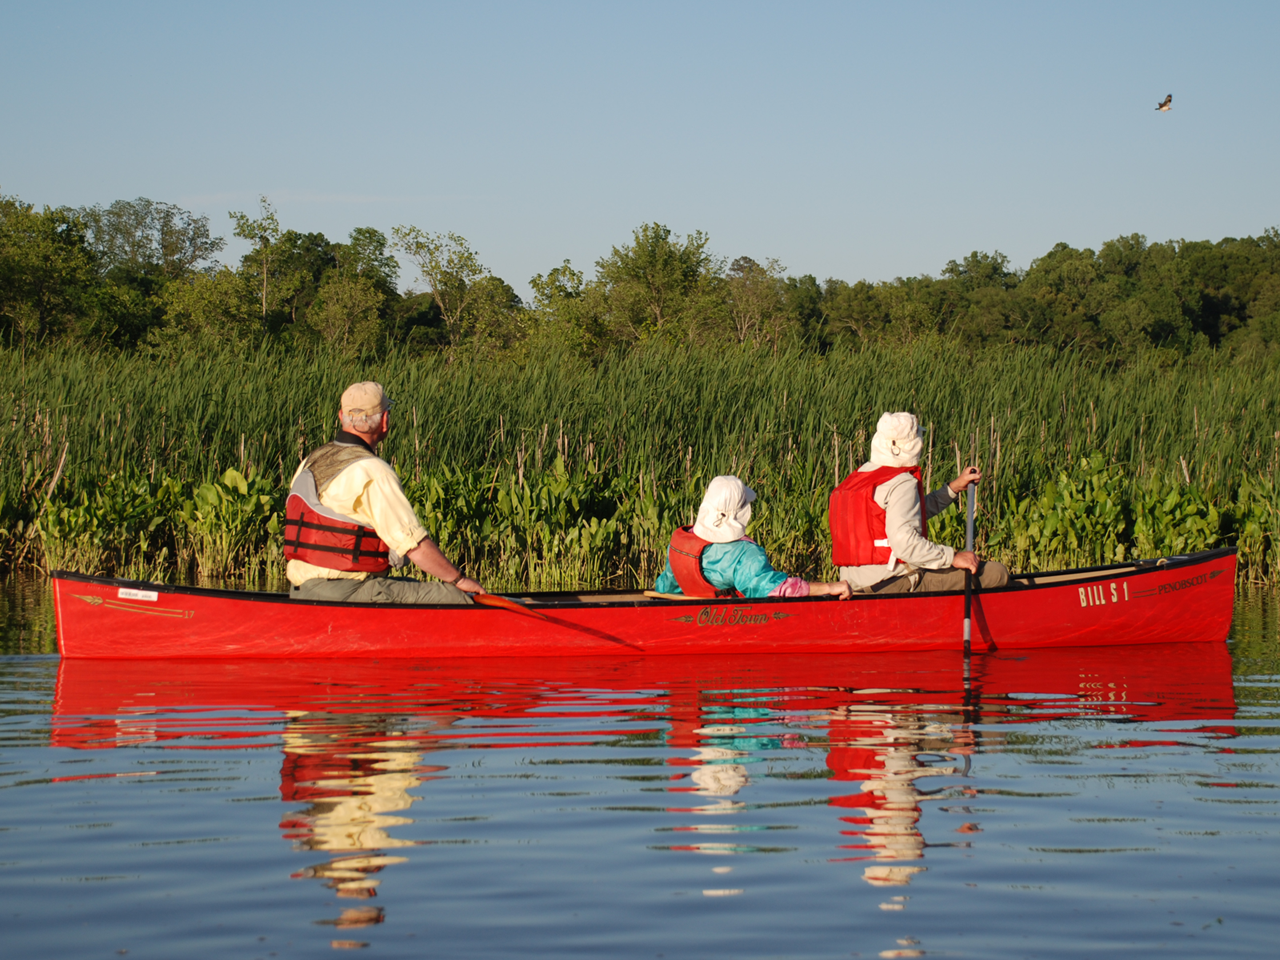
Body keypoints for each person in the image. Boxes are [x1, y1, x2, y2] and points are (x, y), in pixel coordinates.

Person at [283, 381, 483, 603]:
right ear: (385, 421)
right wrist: (459, 581)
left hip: (302, 591)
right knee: (457, 597)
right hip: (349, 591)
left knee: (411, 587)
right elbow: (414, 545)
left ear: (341, 416)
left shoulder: (310, 461)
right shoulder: (373, 471)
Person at [830, 411, 1010, 594]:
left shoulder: (858, 478)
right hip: (892, 582)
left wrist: (953, 488)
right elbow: (904, 545)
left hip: (853, 585)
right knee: (997, 573)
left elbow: (909, 513)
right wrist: (952, 557)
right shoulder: (902, 482)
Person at [654, 475, 853, 600]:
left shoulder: (678, 542)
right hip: (727, 622)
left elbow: (664, 588)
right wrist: (829, 587)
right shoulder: (745, 554)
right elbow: (775, 589)